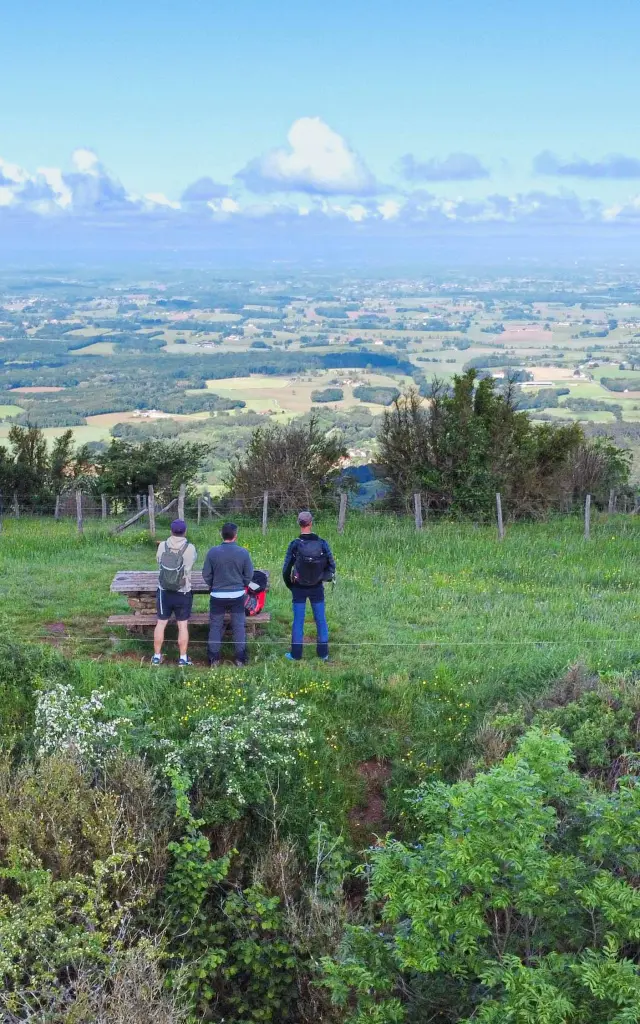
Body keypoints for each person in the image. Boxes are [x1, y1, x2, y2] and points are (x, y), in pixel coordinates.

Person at [282, 511, 335, 662]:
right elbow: (332, 566)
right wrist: (321, 578)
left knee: (298, 620)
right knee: (321, 619)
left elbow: (286, 569)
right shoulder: (322, 543)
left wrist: (290, 585)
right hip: (317, 587)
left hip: (298, 588)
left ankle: (296, 654)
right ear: (311, 523)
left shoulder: (295, 544)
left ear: (299, 523)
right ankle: (323, 654)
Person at [202, 522, 254, 667]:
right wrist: (242, 584)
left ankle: (214, 658)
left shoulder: (212, 552)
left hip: (217, 595)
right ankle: (240, 658)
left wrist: (212, 584)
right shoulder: (243, 552)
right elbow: (249, 574)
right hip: (237, 595)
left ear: (221, 535)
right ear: (235, 536)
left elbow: (206, 573)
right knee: (239, 626)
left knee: (215, 626)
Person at [152, 518, 197, 667]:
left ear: (171, 531)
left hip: (164, 591)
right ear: (185, 531)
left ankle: (157, 657)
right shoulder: (190, 548)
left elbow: (158, 561)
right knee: (182, 625)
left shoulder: (162, 546)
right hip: (183, 591)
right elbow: (191, 564)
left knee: (161, 623)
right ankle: (183, 658)